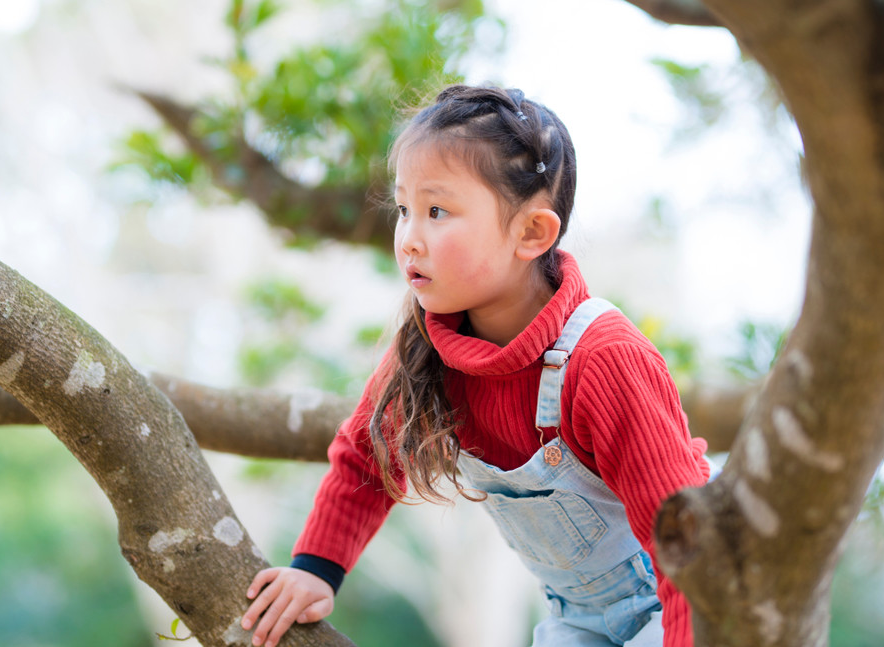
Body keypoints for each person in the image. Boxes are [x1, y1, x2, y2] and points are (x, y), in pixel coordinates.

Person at [240, 84, 713, 647]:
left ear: (531, 233)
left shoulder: (604, 360)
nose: (410, 238)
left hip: (690, 602)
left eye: (437, 211)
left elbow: (686, 547)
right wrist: (315, 570)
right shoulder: (427, 348)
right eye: (404, 208)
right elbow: (367, 457)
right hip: (579, 619)